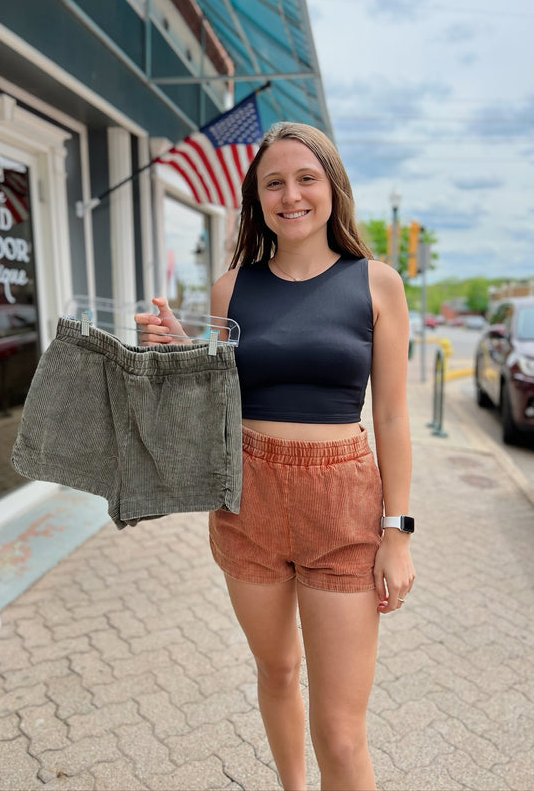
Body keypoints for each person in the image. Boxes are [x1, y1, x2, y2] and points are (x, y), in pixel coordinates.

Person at [136, 122, 415, 791]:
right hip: (248, 501)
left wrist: (397, 534)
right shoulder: (231, 289)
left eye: (305, 178)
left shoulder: (376, 283)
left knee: (343, 735)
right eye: (274, 183)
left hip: (343, 507)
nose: (291, 194)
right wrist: (184, 353)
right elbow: (220, 401)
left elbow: (394, 416)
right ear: (257, 199)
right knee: (278, 671)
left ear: (332, 188)